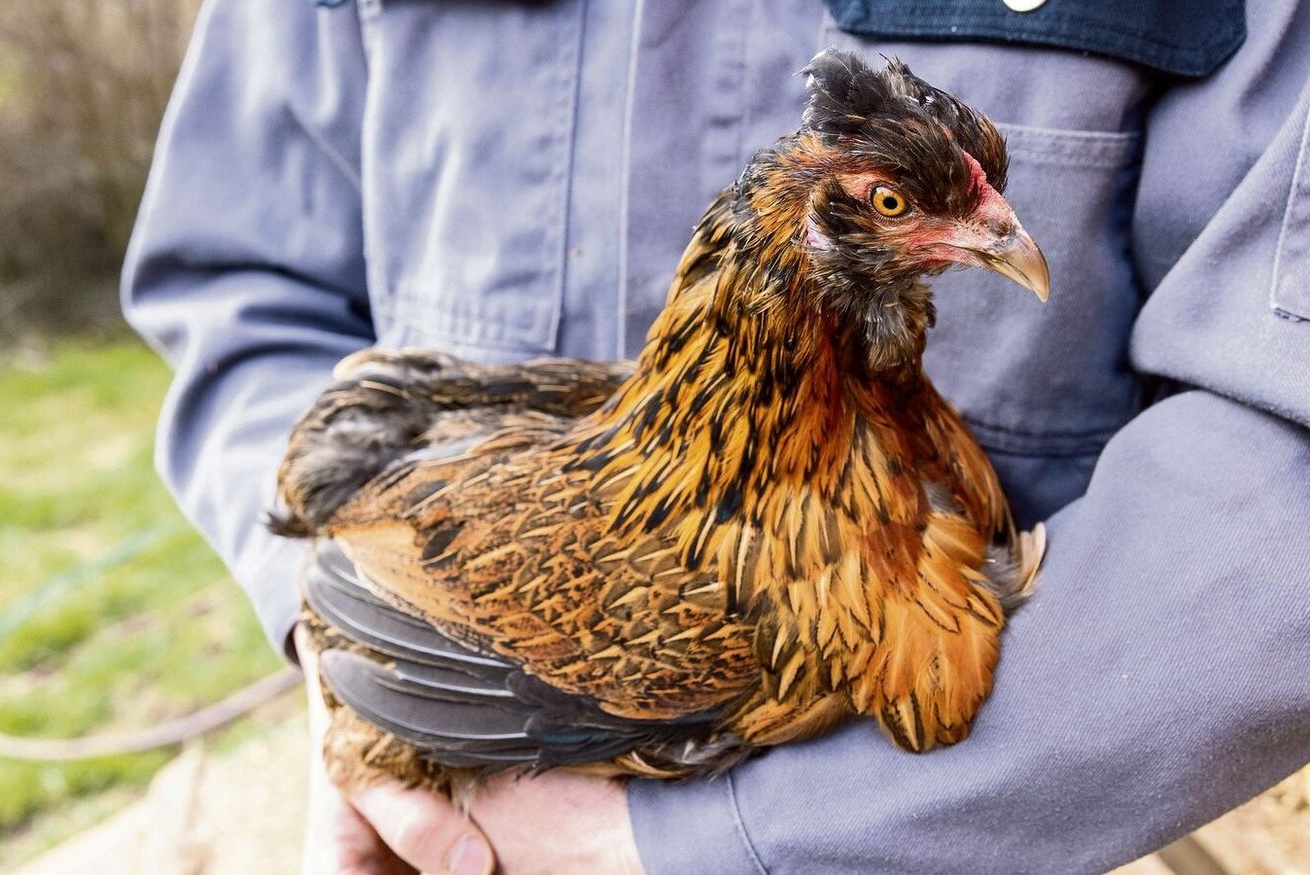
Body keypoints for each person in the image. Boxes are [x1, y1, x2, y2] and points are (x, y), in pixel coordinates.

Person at [123, 1, 1310, 872]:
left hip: (1032, 831)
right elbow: (244, 281)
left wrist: (690, 845)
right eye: (900, 203)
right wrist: (365, 689)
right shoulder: (684, 615)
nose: (1000, 230)